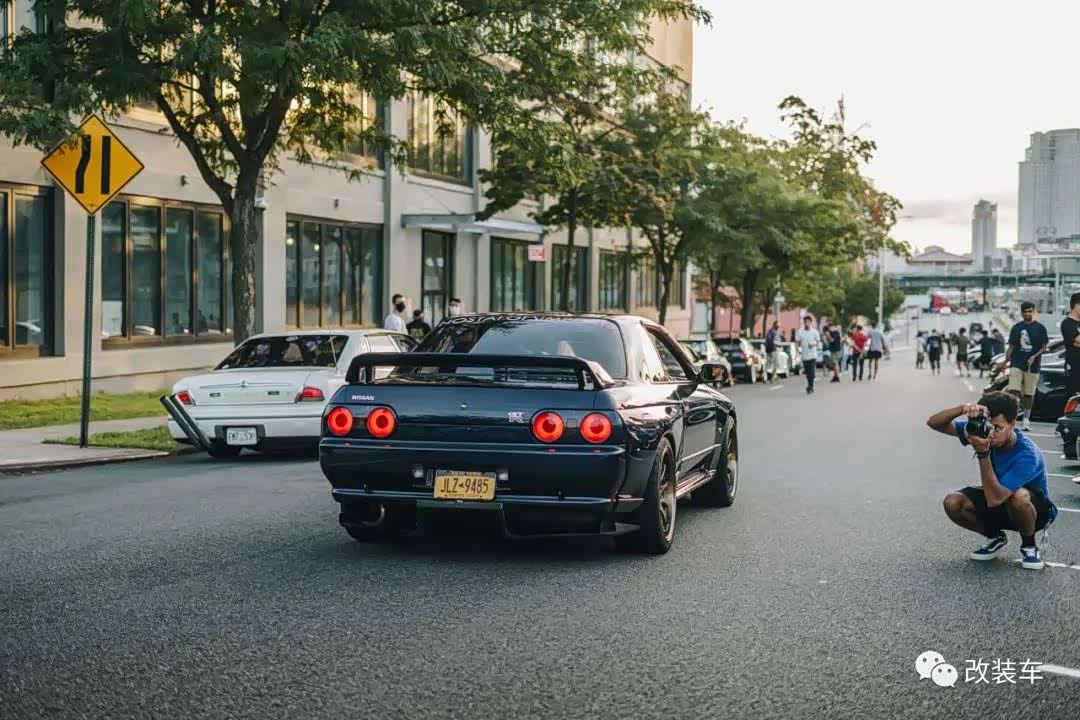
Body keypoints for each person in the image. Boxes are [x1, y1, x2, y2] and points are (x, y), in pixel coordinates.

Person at [926, 391, 1057, 570]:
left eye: (998, 428)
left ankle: (1029, 546)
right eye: (988, 427)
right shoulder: (984, 432)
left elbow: (995, 499)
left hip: (1034, 512)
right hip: (999, 498)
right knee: (953, 502)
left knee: (1018, 496)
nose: (991, 434)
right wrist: (964, 409)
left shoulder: (1027, 454)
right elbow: (934, 423)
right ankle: (995, 536)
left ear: (1012, 424)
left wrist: (983, 453)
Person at [1005, 301, 1048, 431]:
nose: (1027, 314)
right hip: (1016, 363)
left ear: (1033, 312)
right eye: (1025, 311)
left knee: (1029, 394)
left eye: (1029, 311)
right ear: (1021, 313)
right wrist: (1005, 362)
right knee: (1013, 391)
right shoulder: (1016, 328)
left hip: (1032, 366)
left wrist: (1034, 357)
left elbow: (1044, 347)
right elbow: (1011, 346)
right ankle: (1012, 418)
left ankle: (1026, 419)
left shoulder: (1040, 328)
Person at [1061, 292, 1080, 399]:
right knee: (1074, 397)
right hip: (1074, 366)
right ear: (1077, 305)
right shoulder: (1067, 323)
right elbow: (1077, 341)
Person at [796, 315, 821, 395]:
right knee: (807, 372)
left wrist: (813, 344)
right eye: (805, 322)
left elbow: (818, 342)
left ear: (810, 323)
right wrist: (797, 350)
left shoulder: (815, 332)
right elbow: (797, 342)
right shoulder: (800, 332)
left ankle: (810, 386)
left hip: (813, 355)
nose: (806, 323)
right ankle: (810, 386)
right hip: (804, 355)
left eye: (808, 322)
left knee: (812, 372)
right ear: (804, 323)